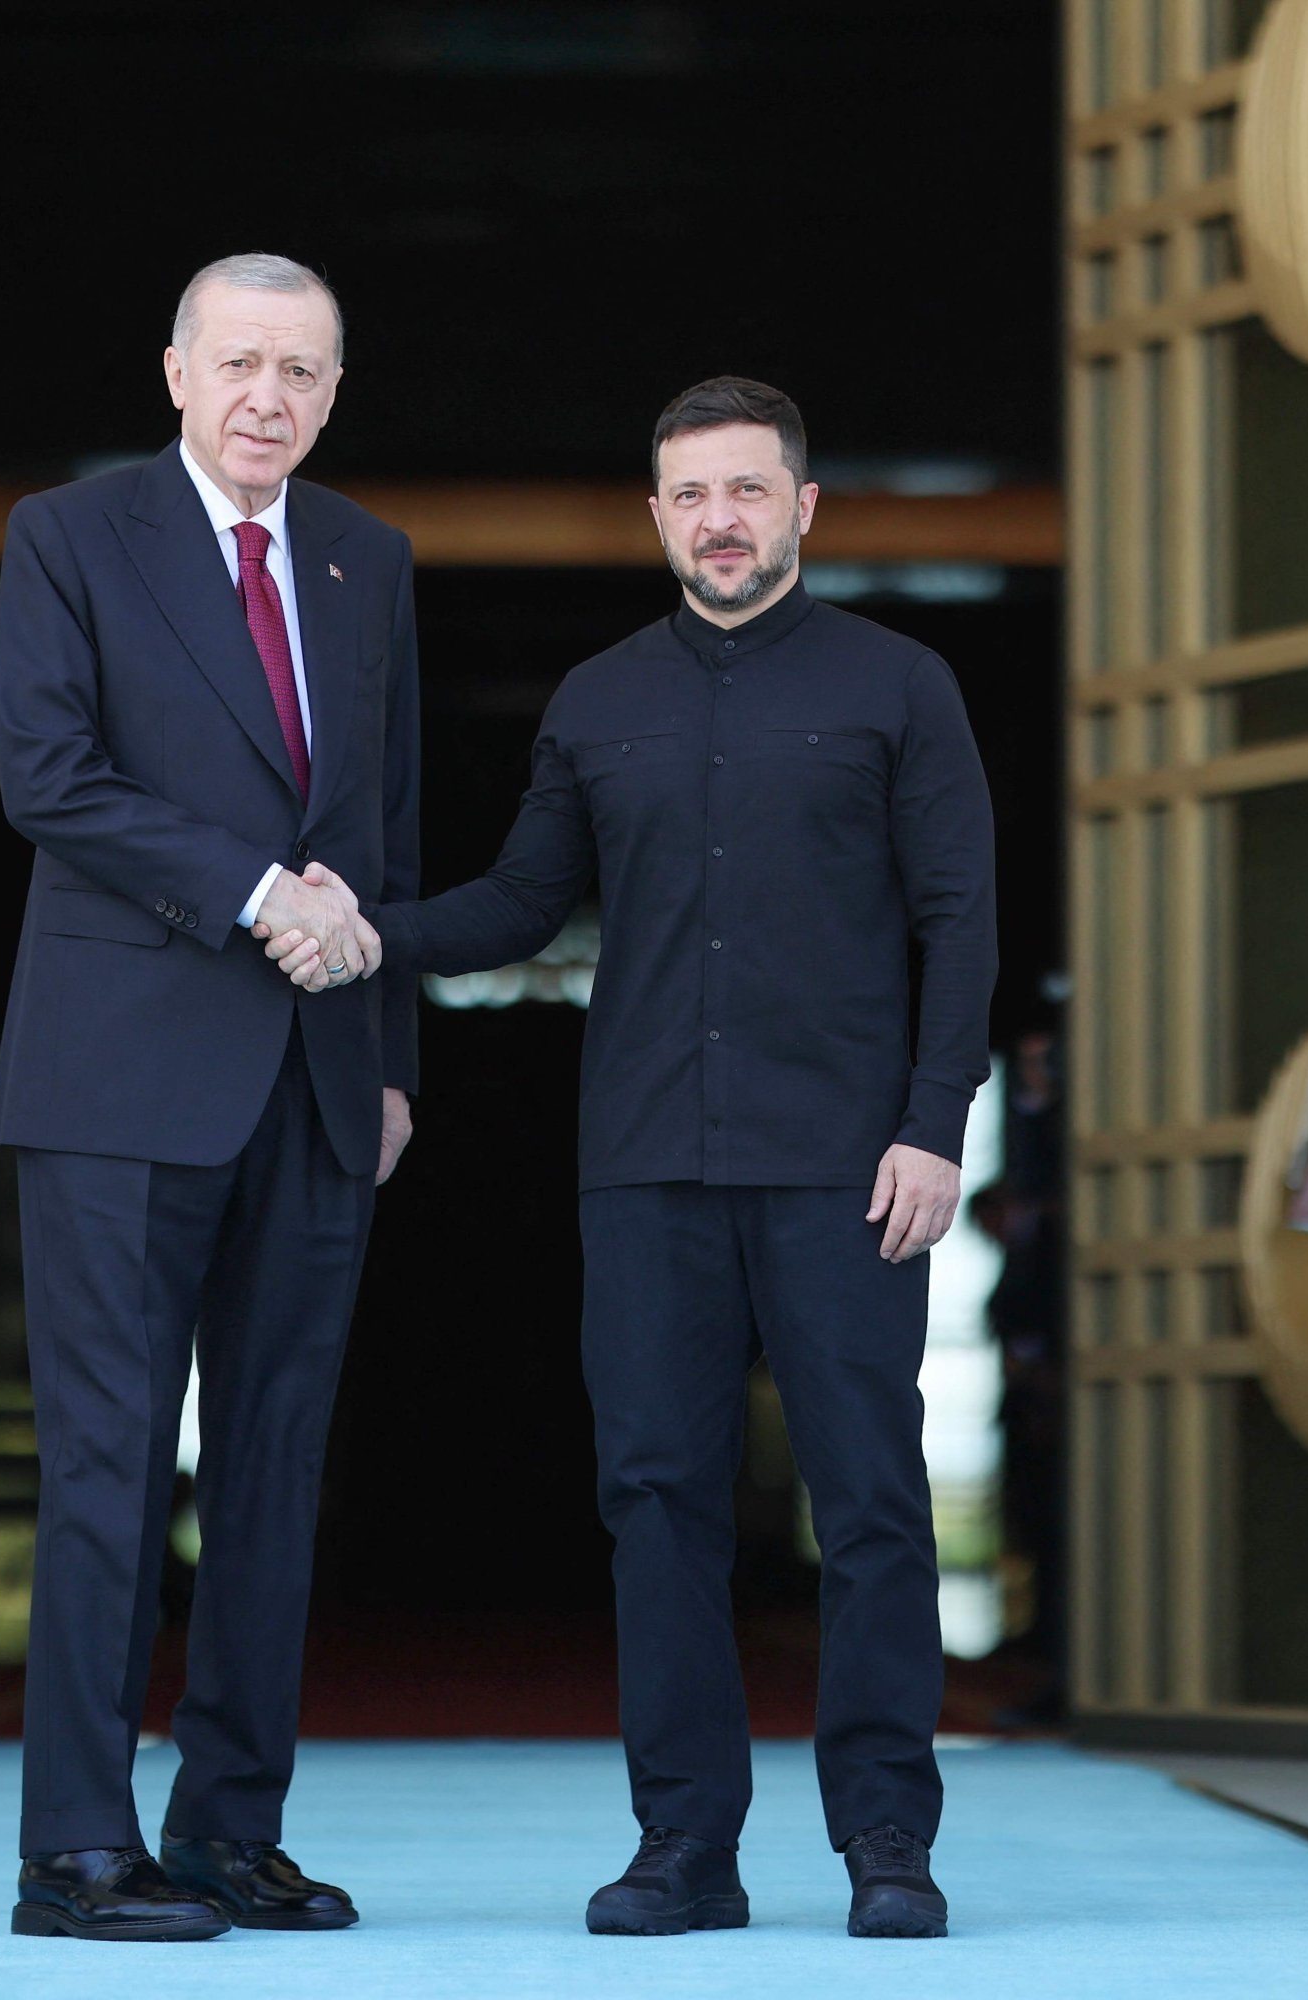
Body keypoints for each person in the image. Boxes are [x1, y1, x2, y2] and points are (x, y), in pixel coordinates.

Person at [276, 377, 995, 1940]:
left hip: (846, 1166)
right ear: (657, 516)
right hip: (648, 1162)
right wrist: (367, 929)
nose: (720, 520)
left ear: (804, 507)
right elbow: (524, 903)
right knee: (656, 1499)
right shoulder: (599, 699)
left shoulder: (901, 685)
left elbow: (959, 918)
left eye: (748, 490)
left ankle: (888, 1838)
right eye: (691, 495)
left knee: (872, 1502)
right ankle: (685, 1846)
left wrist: (935, 1124)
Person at [0, 252, 420, 1942]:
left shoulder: (365, 556)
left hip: (318, 1075)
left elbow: (379, 825)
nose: (267, 398)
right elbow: (50, 777)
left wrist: (390, 1059)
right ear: (175, 372)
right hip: (119, 1072)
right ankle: (75, 1849)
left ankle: (231, 1826)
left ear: (334, 391)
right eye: (238, 363)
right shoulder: (68, 534)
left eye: (300, 371)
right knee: (107, 1464)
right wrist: (254, 894)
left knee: (273, 1465)